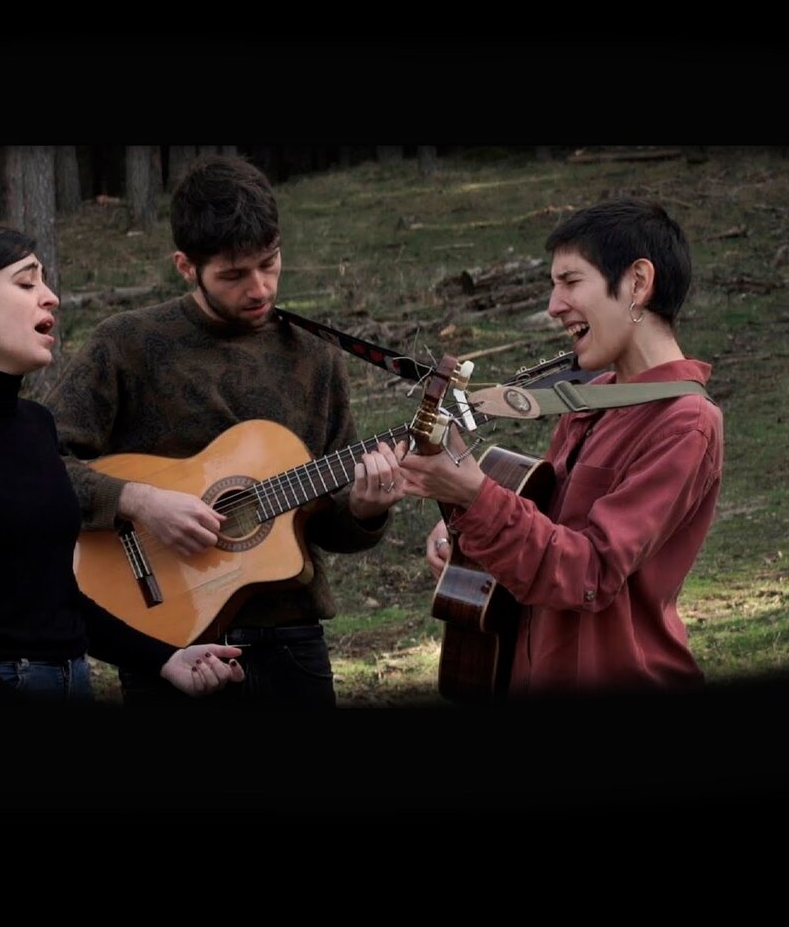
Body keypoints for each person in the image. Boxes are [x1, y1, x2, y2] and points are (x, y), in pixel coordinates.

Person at [45, 154, 402, 707]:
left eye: (269, 263)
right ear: (186, 267)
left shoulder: (315, 357)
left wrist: (366, 510)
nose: (259, 288)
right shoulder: (126, 345)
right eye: (234, 275)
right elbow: (38, 465)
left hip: (291, 645)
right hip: (168, 644)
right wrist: (138, 501)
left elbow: (330, 524)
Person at [0, 227, 245, 703]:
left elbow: (58, 600)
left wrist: (166, 660)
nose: (51, 297)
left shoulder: (36, 424)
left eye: (44, 282)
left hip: (73, 681)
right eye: (27, 283)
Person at [394, 198, 723, 697]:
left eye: (570, 281)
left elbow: (589, 572)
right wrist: (463, 522)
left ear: (638, 283)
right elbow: (543, 535)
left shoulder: (686, 424)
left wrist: (475, 496)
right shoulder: (589, 401)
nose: (553, 306)